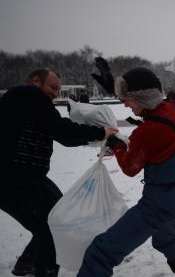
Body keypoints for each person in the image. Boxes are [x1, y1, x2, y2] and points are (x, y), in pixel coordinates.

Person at [77, 67, 175, 277]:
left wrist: (117, 145)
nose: (124, 104)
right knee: (166, 239)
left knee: (100, 252)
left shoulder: (148, 130)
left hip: (160, 202)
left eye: (126, 98)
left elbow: (130, 167)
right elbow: (161, 126)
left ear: (141, 98)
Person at [0, 68, 117, 277]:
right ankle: (43, 270)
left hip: (26, 176)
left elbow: (55, 127)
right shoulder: (29, 95)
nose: (56, 93)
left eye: (58, 89)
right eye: (53, 87)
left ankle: (26, 263)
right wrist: (100, 132)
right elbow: (61, 131)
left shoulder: (20, 100)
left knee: (58, 217)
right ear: (35, 81)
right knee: (52, 230)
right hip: (14, 179)